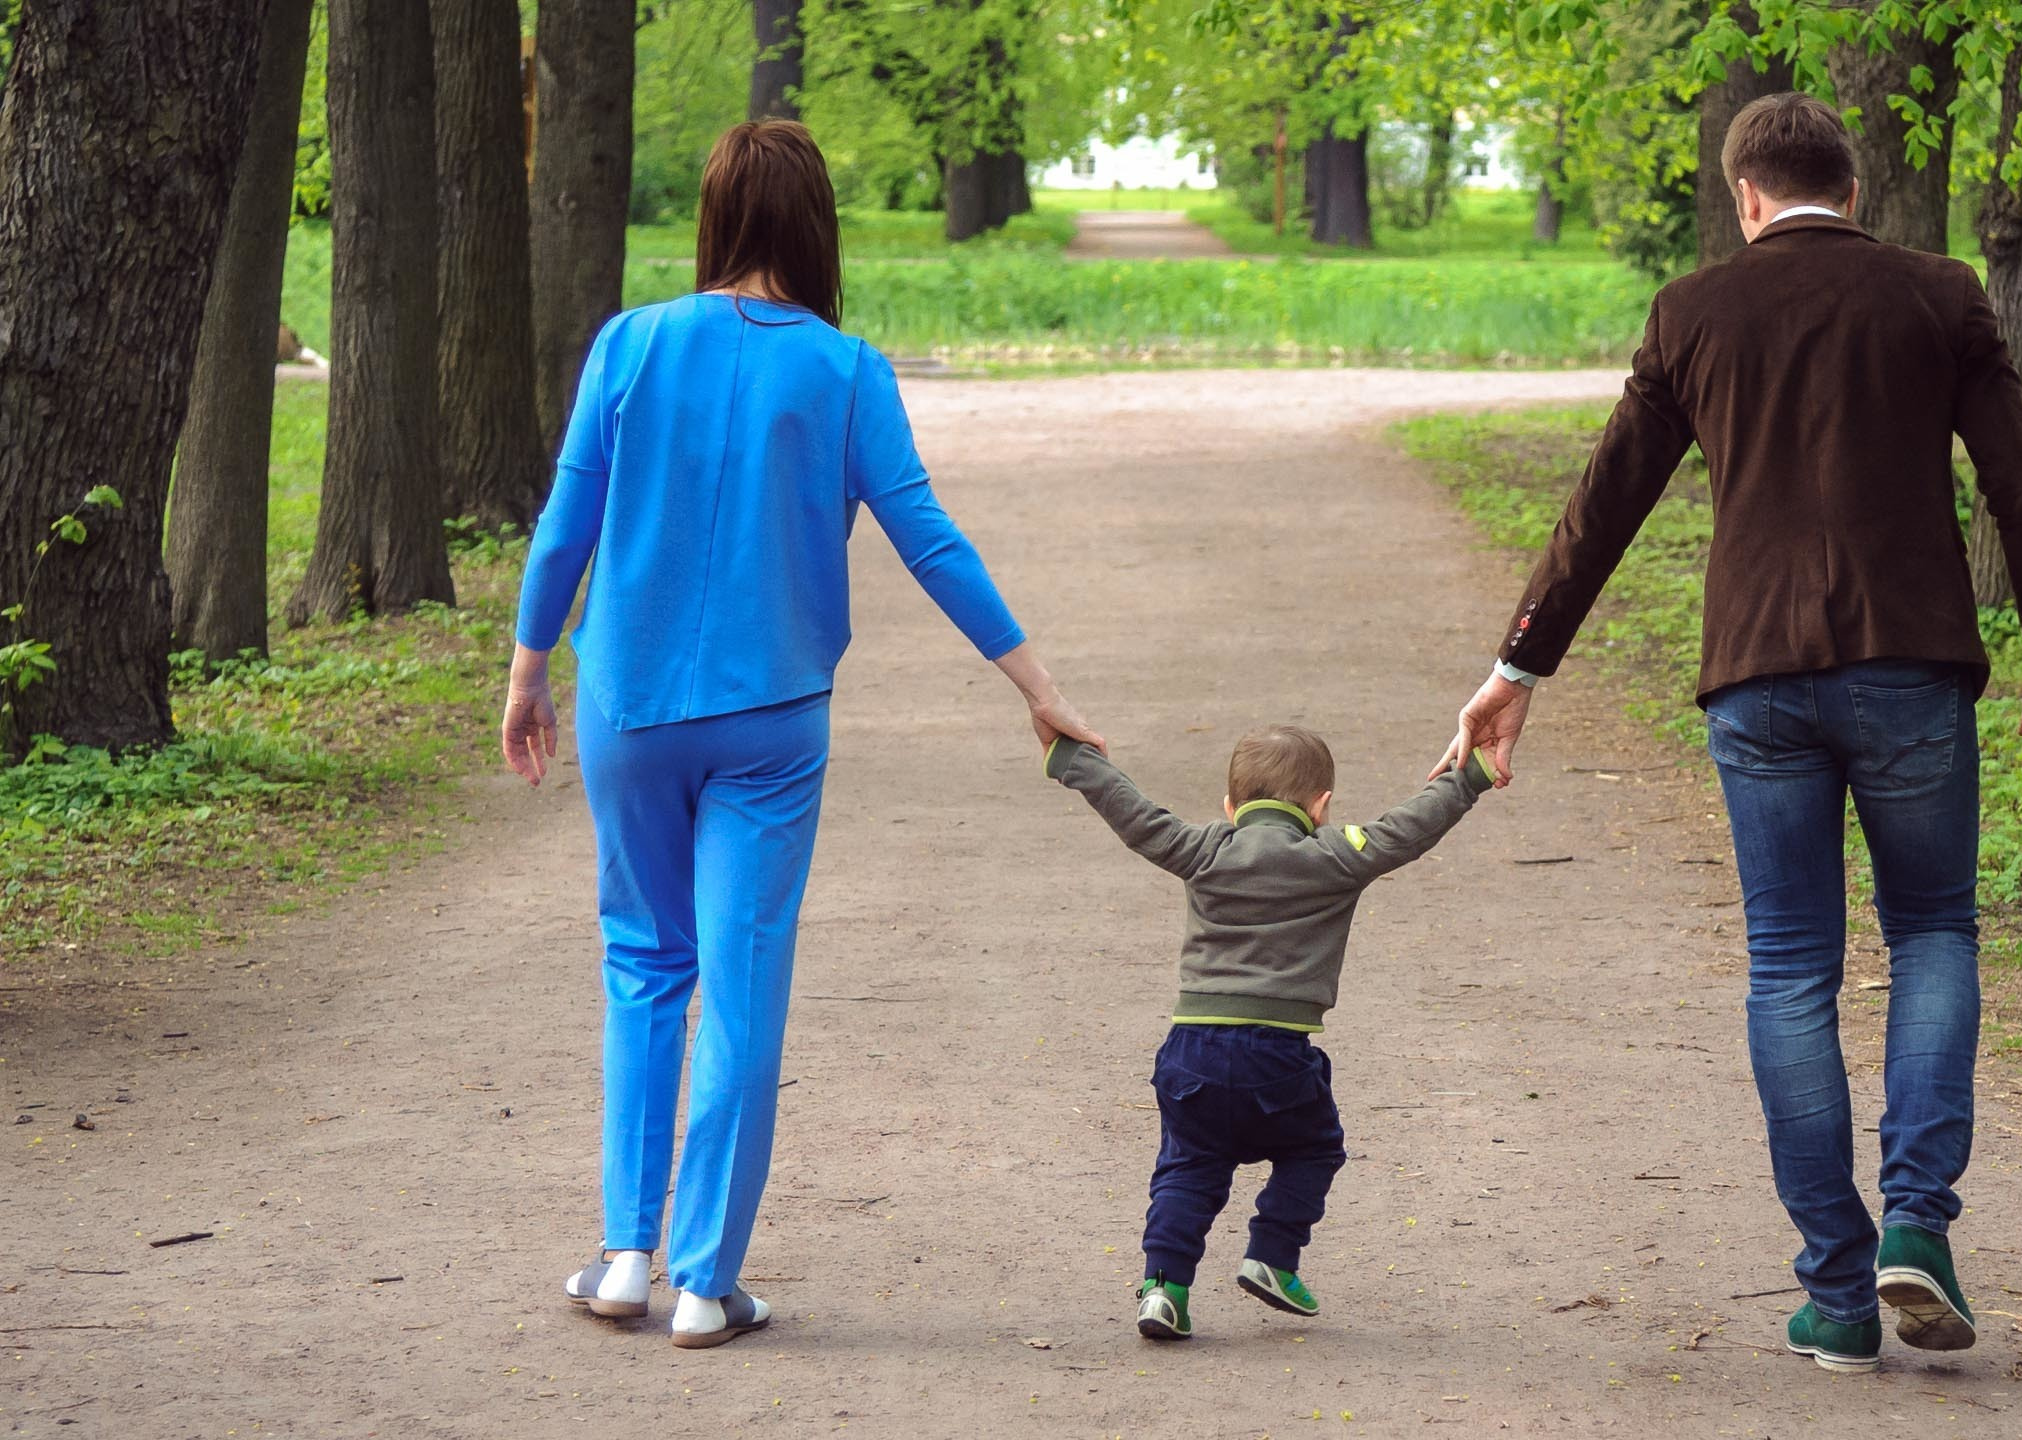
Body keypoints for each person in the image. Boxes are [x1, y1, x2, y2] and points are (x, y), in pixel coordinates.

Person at [1437, 91, 2022, 1374]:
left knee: (1791, 967)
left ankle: (1840, 1296)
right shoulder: (1937, 293)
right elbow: (2021, 479)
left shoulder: (1693, 311)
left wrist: (1518, 665)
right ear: (1850, 188)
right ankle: (1917, 1223)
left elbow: (1607, 495)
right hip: (1910, 665)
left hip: (1756, 677)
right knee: (1933, 931)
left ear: (1744, 195)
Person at [500, 120, 1102, 1350]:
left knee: (643, 966)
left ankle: (625, 1256)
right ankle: (707, 1283)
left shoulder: (629, 345)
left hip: (628, 704)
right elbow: (928, 536)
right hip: (771, 719)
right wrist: (1033, 683)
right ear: (815, 227)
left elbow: (566, 527)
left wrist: (527, 672)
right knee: (743, 985)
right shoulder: (844, 370)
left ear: (717, 220)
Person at [1044, 725, 1501, 1340]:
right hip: (1278, 1056)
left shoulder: (1203, 848)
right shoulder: (1337, 855)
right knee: (1314, 1148)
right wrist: (1470, 775)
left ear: (1231, 809)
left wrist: (1074, 758)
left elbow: (1136, 813)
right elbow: (1408, 828)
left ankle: (1163, 1288)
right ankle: (1271, 1256)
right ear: (1321, 806)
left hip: (1192, 1052)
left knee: (1190, 1163)